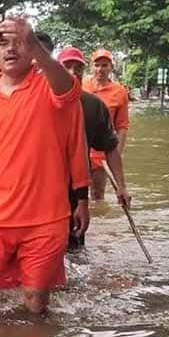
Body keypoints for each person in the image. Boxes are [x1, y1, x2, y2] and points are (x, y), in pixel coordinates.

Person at [0, 17, 89, 314]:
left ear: (32, 49)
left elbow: (69, 89)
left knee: (36, 305)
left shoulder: (53, 90)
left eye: (19, 42)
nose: (11, 49)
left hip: (45, 218)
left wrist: (83, 199)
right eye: (3, 43)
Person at [55, 45, 131, 249]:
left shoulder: (94, 105)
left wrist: (121, 185)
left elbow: (111, 143)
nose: (72, 73)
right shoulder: (38, 100)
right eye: (66, 67)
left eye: (77, 68)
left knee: (74, 247)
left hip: (76, 185)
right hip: (40, 186)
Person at [83, 48, 130, 200]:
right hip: (80, 149)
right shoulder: (81, 85)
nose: (100, 69)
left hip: (101, 152)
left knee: (97, 195)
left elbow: (122, 126)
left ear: (111, 67)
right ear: (91, 66)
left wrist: (116, 153)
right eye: (97, 65)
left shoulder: (120, 92)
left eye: (104, 65)